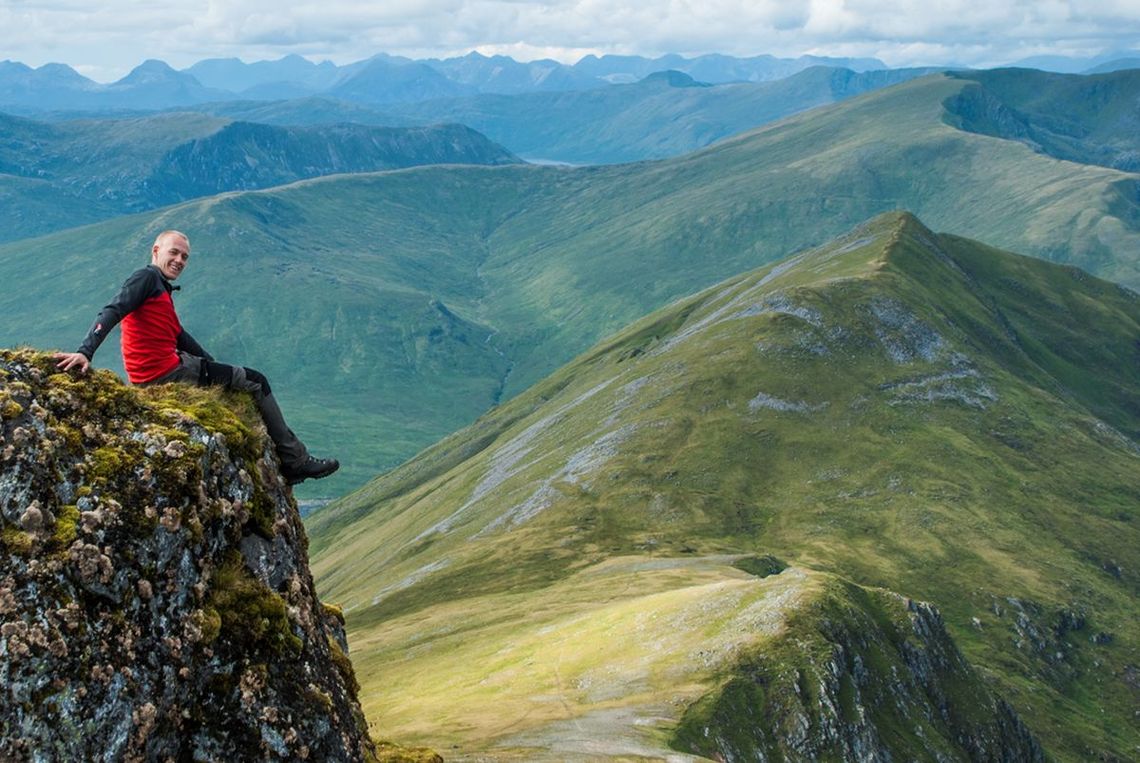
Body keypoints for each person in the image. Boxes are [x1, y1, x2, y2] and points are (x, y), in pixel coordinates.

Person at [54, 230, 338, 485]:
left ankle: (290, 456)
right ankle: (295, 462)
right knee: (255, 381)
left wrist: (211, 363)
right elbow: (112, 310)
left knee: (228, 375)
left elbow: (178, 334)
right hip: (166, 372)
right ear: (156, 251)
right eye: (173, 252)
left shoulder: (158, 287)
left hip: (151, 374)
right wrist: (85, 351)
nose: (179, 260)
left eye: (185, 257)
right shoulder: (146, 278)